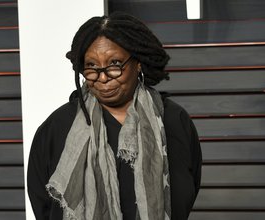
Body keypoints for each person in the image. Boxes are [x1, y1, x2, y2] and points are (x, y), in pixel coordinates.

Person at [27, 12, 202, 220]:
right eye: (91, 66)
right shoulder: (57, 127)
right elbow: (43, 205)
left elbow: (187, 192)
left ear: (138, 63)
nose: (102, 78)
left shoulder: (173, 120)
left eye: (115, 64)